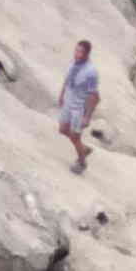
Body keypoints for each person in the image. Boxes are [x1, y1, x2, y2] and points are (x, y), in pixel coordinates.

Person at [57, 38, 101, 172]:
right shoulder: (73, 64)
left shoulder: (91, 72)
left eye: (80, 52)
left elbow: (95, 97)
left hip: (78, 109)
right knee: (63, 129)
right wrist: (61, 95)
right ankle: (84, 149)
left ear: (87, 54)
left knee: (75, 137)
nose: (76, 54)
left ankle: (82, 162)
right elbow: (67, 80)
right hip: (68, 103)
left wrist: (87, 117)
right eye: (76, 50)